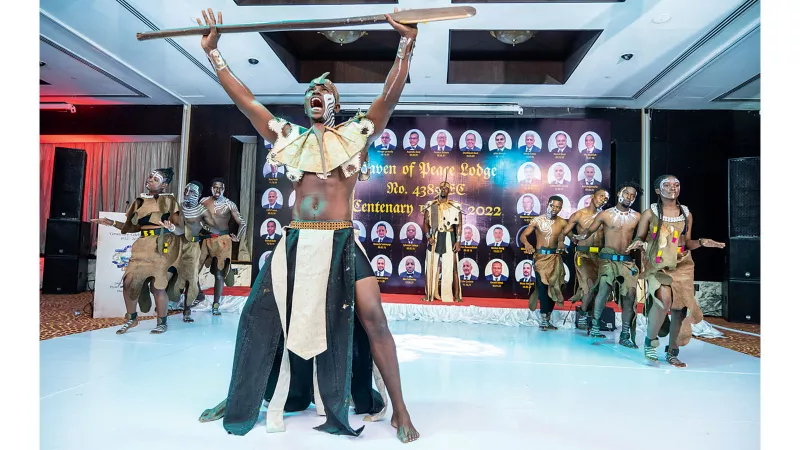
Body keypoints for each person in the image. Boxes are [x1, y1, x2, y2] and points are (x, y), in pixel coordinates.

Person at [194, 7, 418, 442]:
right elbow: (247, 101)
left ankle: (400, 410)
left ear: (334, 102)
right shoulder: (288, 137)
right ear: (306, 102)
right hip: (295, 242)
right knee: (257, 317)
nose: (317, 91)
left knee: (374, 320)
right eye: (312, 89)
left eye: (326, 88)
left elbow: (389, 97)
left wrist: (405, 46)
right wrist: (214, 54)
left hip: (341, 242)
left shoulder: (356, 133)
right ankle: (244, 397)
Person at [627, 175, 725, 367]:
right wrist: (638, 244)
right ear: (657, 190)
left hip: (682, 264)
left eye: (677, 184)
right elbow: (639, 237)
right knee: (664, 301)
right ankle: (650, 341)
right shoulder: (650, 212)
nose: (673, 187)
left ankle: (672, 351)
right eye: (667, 184)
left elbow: (687, 242)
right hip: (658, 263)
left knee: (680, 309)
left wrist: (702, 242)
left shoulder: (686, 213)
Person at [92, 168, 179, 334]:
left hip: (161, 246)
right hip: (141, 246)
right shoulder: (139, 201)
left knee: (157, 286)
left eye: (156, 179)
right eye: (150, 176)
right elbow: (132, 227)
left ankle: (162, 322)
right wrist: (111, 223)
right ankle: (131, 319)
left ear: (164, 185)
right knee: (128, 282)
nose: (151, 180)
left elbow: (180, 227)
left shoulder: (169, 201)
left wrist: (172, 227)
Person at [574, 184, 640, 346]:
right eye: (626, 194)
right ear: (619, 193)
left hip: (626, 260)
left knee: (630, 295)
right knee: (603, 288)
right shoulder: (605, 215)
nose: (629, 197)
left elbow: (642, 235)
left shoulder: (637, 216)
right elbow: (590, 230)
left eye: (633, 195)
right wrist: (580, 236)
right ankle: (595, 325)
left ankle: (625, 334)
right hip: (607, 258)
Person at [165, 181, 216, 322]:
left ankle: (187, 311)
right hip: (176, 246)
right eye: (186, 191)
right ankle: (165, 305)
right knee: (166, 275)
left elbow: (213, 228)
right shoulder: (179, 208)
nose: (187, 194)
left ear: (199, 195)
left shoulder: (203, 211)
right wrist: (171, 228)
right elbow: (176, 227)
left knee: (191, 280)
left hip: (192, 247)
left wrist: (202, 229)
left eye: (192, 192)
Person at [561, 189, 609, 330]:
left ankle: (594, 317)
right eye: (601, 196)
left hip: (600, 255)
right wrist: (571, 238)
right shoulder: (579, 214)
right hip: (583, 255)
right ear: (592, 197)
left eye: (606, 198)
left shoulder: (606, 216)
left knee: (601, 287)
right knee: (589, 286)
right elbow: (565, 230)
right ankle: (582, 313)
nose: (603, 199)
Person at [520, 196, 568, 331]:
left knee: (554, 287)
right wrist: (527, 244)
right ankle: (543, 318)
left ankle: (548, 317)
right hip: (541, 258)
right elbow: (523, 235)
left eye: (558, 207)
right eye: (553, 206)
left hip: (555, 258)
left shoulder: (563, 223)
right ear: (548, 204)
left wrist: (565, 243)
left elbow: (567, 238)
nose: (555, 209)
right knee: (542, 286)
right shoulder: (537, 220)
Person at [200, 177, 246, 316]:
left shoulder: (229, 204)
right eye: (215, 187)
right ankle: (196, 296)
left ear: (224, 189)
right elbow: (195, 217)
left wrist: (238, 238)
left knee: (219, 274)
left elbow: (242, 223)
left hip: (223, 241)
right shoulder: (203, 201)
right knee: (194, 268)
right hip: (206, 239)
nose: (217, 190)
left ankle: (216, 304)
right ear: (211, 188)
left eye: (220, 187)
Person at [422, 180, 463, 302]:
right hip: (435, 237)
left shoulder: (455, 206)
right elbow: (425, 222)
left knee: (451, 266)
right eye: (441, 188)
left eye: (446, 188)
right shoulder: (431, 205)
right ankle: (430, 294)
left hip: (449, 236)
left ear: (449, 191)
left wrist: (458, 241)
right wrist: (428, 236)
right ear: (438, 190)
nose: (443, 190)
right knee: (431, 265)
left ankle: (452, 295)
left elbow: (459, 225)